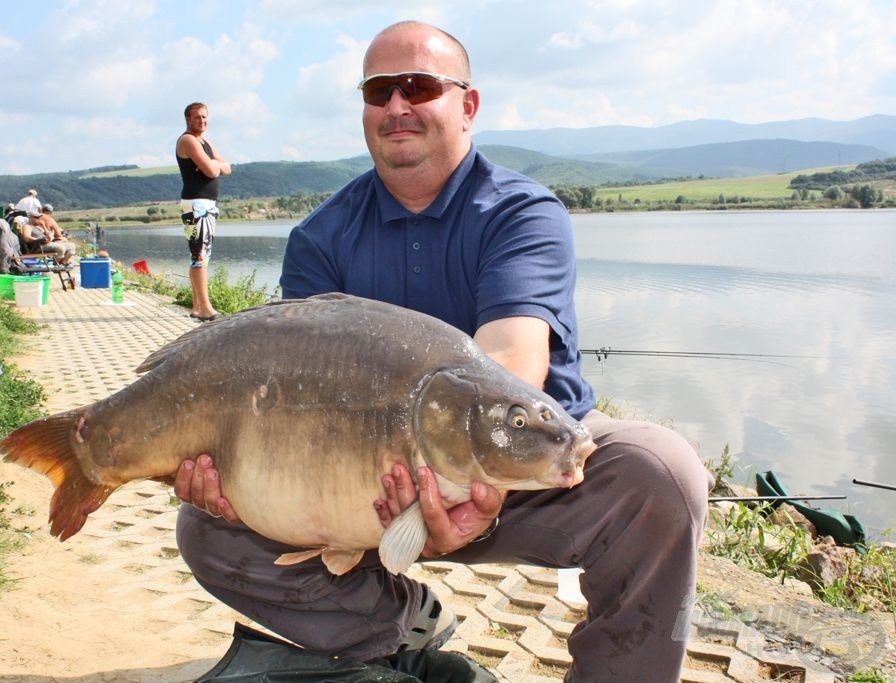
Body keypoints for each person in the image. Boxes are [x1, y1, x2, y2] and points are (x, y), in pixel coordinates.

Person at [173, 21, 712, 682]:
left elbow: (512, 358)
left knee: (665, 474)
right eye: (378, 90)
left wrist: (476, 483)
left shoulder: (520, 212)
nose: (397, 105)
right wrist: (239, 484)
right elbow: (284, 392)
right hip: (360, 482)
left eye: (419, 86)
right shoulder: (320, 237)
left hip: (529, 469)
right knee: (210, 530)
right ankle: (399, 629)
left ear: (468, 104)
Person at [175, 101, 231, 321]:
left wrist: (214, 166)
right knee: (199, 255)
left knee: (200, 254)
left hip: (205, 205)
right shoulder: (188, 140)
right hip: (196, 205)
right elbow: (211, 169)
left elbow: (227, 167)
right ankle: (206, 309)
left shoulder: (204, 141)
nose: (202, 121)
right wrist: (213, 166)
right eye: (198, 117)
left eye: (205, 117)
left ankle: (198, 306)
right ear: (188, 119)